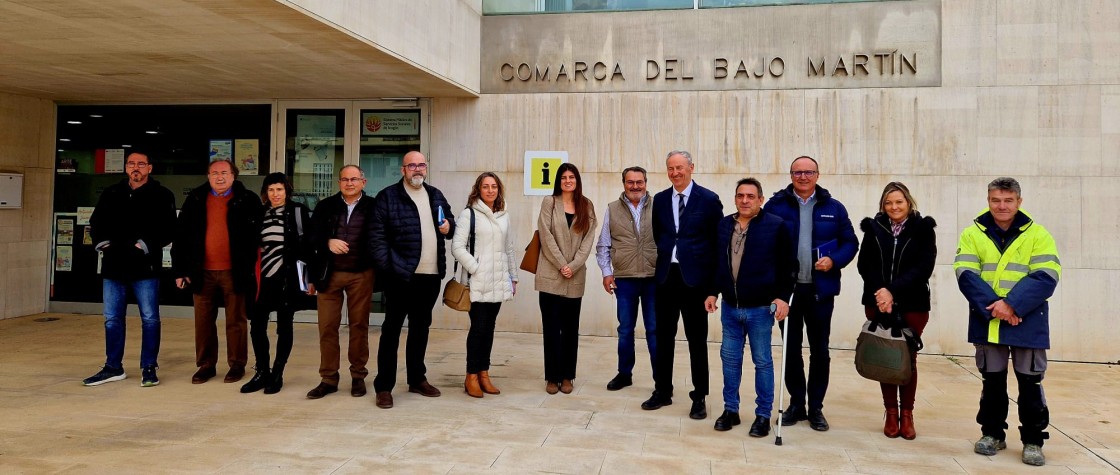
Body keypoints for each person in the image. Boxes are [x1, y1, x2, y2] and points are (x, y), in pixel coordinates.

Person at [955, 177, 1060, 466]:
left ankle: (1033, 441)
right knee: (992, 382)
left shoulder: (1038, 234)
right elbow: (965, 273)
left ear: (1019, 202)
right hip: (989, 319)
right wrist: (998, 309)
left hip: (1026, 319)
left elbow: (1046, 276)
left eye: (1008, 200)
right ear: (988, 200)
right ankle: (992, 434)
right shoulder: (972, 234)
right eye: (995, 200)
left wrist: (1011, 304)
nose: (1001, 206)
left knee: (1030, 383)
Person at [762, 155, 858, 431]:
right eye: (797, 172)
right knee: (791, 350)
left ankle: (815, 407)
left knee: (820, 351)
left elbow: (850, 242)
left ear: (818, 174)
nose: (803, 177)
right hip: (787, 292)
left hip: (820, 291)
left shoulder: (833, 207)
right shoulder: (776, 205)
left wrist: (834, 260)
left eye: (808, 172)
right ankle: (796, 404)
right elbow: (764, 240)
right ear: (791, 174)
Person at [705, 178, 795, 437]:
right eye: (740, 196)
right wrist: (712, 291)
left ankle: (763, 415)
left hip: (760, 309)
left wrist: (782, 297)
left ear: (760, 200)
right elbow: (717, 262)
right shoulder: (724, 224)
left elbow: (788, 266)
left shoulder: (776, 226)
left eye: (750, 196)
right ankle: (730, 410)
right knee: (730, 361)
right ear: (735, 198)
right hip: (730, 308)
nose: (745, 200)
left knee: (762, 361)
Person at [83, 151, 176, 387]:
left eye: (141, 164)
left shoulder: (162, 195)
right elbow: (96, 223)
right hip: (114, 266)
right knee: (112, 319)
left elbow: (168, 228)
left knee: (150, 319)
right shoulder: (111, 193)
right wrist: (103, 243)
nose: (136, 168)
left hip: (146, 267)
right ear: (126, 168)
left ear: (150, 168)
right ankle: (113, 366)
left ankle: (149, 367)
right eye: (132, 164)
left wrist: (144, 245)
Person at [642, 150, 723, 420]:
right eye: (670, 168)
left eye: (680, 167)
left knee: (696, 340)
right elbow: (659, 235)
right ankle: (662, 390)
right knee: (663, 338)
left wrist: (713, 287)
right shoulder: (661, 200)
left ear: (691, 167)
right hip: (666, 278)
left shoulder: (709, 200)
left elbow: (717, 244)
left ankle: (699, 396)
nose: (675, 172)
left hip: (695, 281)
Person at [370, 151, 454, 409]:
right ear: (403, 170)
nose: (417, 169)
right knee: (392, 330)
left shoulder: (435, 194)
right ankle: (384, 386)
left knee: (420, 329)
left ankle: (417, 379)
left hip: (430, 276)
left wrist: (449, 227)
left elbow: (452, 224)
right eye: (411, 166)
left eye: (421, 165)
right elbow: (377, 238)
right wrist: (390, 269)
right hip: (400, 276)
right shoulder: (388, 196)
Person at [856, 182, 937, 439]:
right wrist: (881, 292)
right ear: (883, 205)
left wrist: (892, 291)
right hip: (877, 302)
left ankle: (907, 414)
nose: (894, 207)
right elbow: (864, 265)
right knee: (886, 356)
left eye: (899, 202)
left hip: (912, 304)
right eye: (889, 203)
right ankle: (891, 412)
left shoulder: (923, 229)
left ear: (908, 202)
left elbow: (924, 267)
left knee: (907, 359)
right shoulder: (874, 228)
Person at [173, 159, 263, 385]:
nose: (219, 177)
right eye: (214, 173)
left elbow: (257, 236)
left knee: (236, 321)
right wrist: (180, 269)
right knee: (203, 322)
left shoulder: (247, 199)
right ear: (208, 175)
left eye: (224, 172)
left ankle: (237, 364)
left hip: (235, 271)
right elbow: (181, 236)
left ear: (234, 175)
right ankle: (206, 365)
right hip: (202, 271)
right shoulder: (195, 198)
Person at [305, 165, 377, 400]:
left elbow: (382, 237)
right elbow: (310, 237)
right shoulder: (326, 206)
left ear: (363, 182)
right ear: (339, 183)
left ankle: (358, 376)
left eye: (354, 179)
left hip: (361, 275)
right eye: (344, 179)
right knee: (327, 327)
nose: (349, 183)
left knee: (359, 326)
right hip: (330, 274)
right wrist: (328, 242)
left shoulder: (373, 207)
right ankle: (328, 378)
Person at [240, 173, 314, 395]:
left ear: (287, 191)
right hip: (262, 278)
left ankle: (277, 373)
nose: (275, 194)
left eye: (279, 190)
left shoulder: (298, 211)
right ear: (266, 192)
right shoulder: (259, 213)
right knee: (257, 325)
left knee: (284, 325)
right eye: (271, 190)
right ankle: (262, 371)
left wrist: (310, 279)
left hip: (287, 278)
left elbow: (308, 247)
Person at [451, 172, 518, 398]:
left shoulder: (504, 216)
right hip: (477, 282)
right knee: (478, 328)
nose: (490, 190)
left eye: (494, 186)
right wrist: (477, 268)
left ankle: (484, 373)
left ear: (499, 190)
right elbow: (457, 247)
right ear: (478, 189)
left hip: (499, 281)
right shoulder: (468, 214)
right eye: (485, 186)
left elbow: (509, 249)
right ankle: (471, 375)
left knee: (489, 329)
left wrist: (513, 276)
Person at [535, 162, 596, 395]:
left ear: (577, 180)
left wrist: (573, 266)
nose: (568, 181)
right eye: (563, 177)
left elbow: (589, 238)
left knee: (570, 329)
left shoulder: (586, 205)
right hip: (551, 273)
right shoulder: (549, 203)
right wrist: (562, 264)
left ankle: (568, 376)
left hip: (575, 276)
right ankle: (552, 377)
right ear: (558, 181)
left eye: (571, 177)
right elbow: (545, 234)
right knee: (551, 329)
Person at [595, 166, 657, 391]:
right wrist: (606, 272)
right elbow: (603, 245)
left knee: (654, 330)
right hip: (625, 279)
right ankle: (624, 373)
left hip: (653, 278)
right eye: (630, 182)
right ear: (624, 184)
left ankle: (660, 379)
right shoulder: (612, 209)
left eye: (639, 182)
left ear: (646, 182)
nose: (635, 186)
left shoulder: (658, 206)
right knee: (625, 329)